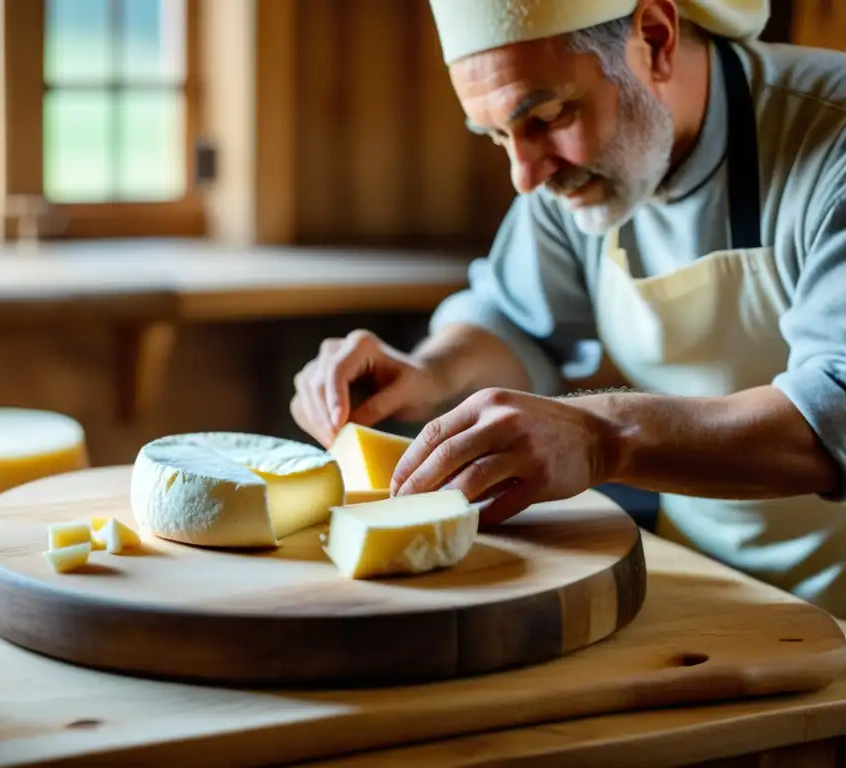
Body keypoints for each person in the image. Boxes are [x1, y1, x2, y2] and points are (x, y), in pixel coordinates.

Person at [290, 0, 846, 617]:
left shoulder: (833, 143)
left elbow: (833, 414)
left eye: (547, 117)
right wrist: (429, 373)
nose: (524, 176)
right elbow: (515, 320)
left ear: (656, 40)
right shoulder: (576, 169)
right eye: (498, 135)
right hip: (711, 582)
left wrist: (600, 437)